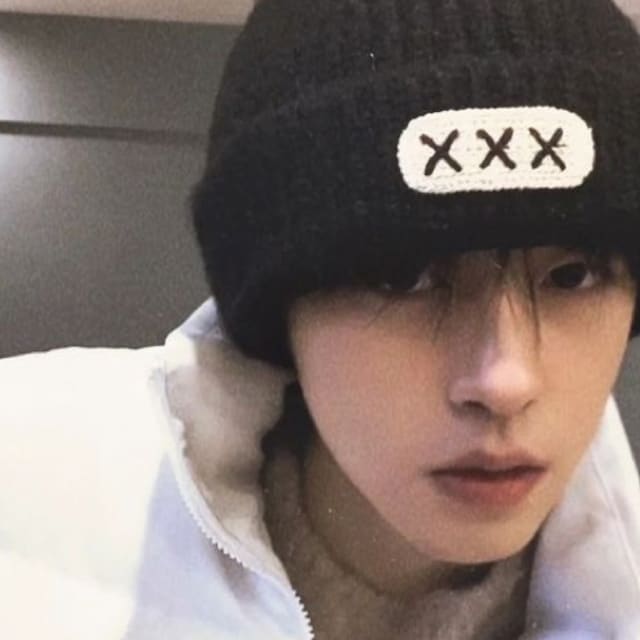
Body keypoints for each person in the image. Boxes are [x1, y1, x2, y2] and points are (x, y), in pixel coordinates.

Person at [1, 0, 640, 638]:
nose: (505, 382)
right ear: (281, 307)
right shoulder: (24, 489)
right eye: (400, 275)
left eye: (573, 276)